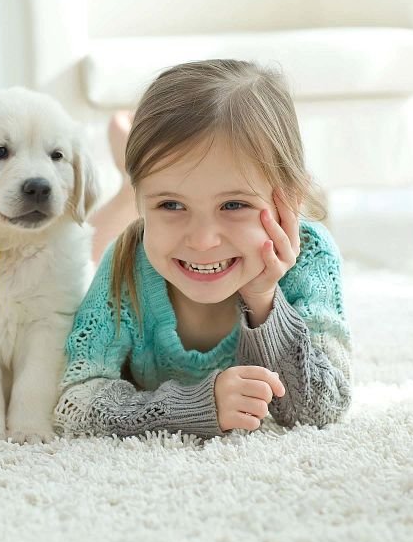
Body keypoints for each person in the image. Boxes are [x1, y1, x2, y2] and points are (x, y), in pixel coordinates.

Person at [54, 59, 352, 438]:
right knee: (87, 248)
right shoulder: (125, 264)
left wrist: (263, 301)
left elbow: (321, 409)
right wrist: (195, 406)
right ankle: (126, 184)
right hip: (133, 233)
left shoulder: (312, 255)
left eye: (234, 205)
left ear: (288, 201)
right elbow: (73, 402)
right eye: (171, 205)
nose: (202, 240)